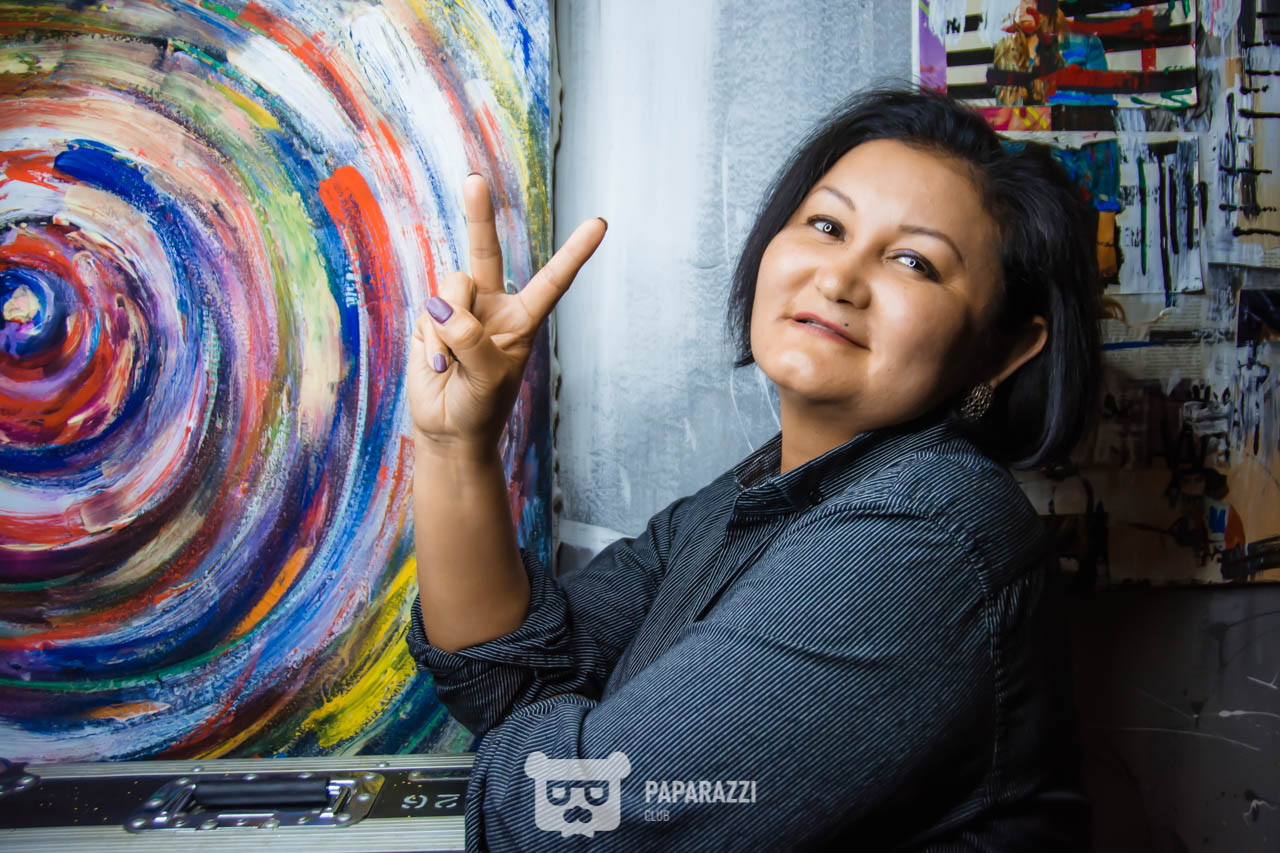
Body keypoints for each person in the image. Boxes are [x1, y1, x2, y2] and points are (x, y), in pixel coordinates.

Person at [404, 86, 1100, 851]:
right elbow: (504, 681)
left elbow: (563, 826)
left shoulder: (932, 532)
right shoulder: (738, 501)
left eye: (914, 261)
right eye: (826, 225)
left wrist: (588, 737)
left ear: (1003, 349)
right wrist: (455, 445)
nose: (839, 279)